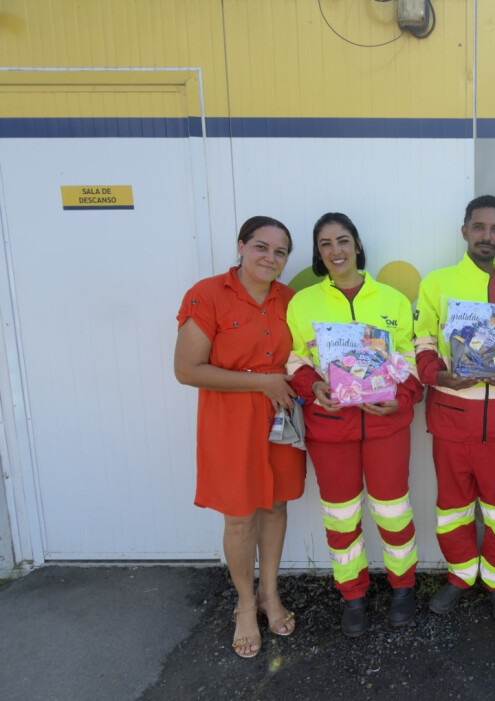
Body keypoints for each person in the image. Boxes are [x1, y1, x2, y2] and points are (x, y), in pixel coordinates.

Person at [174, 216, 307, 659]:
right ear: (241, 247)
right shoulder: (207, 294)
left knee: (274, 505)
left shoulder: (291, 300)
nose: (271, 257)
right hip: (230, 419)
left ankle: (270, 595)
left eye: (281, 251)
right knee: (239, 516)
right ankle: (245, 606)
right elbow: (187, 369)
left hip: (280, 417)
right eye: (261, 247)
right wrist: (260, 383)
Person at [285, 212, 424, 636]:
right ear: (318, 252)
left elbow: (412, 358)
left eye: (342, 240)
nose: (336, 251)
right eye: (325, 244)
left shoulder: (392, 300)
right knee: (341, 515)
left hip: (386, 426)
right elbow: (293, 359)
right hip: (330, 428)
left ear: (358, 245)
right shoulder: (302, 303)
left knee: (393, 510)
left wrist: (401, 400)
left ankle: (403, 587)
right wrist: (312, 386)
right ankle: (353, 594)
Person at [414, 195, 495, 624]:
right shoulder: (438, 283)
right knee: (452, 507)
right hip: (452, 417)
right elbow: (422, 340)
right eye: (479, 227)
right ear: (465, 231)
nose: (487, 236)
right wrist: (436, 373)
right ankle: (461, 576)